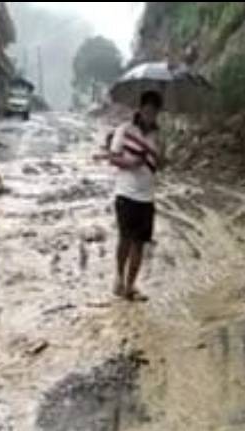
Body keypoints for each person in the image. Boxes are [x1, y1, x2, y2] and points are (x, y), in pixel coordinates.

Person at [108, 91, 164, 302]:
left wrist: (161, 157)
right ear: (140, 109)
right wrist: (129, 164)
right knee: (125, 238)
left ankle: (131, 286)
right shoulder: (124, 130)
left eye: (155, 112)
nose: (151, 115)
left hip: (147, 197)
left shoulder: (158, 136)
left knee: (139, 243)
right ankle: (119, 278)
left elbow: (161, 166)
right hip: (126, 193)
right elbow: (113, 158)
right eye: (148, 110)